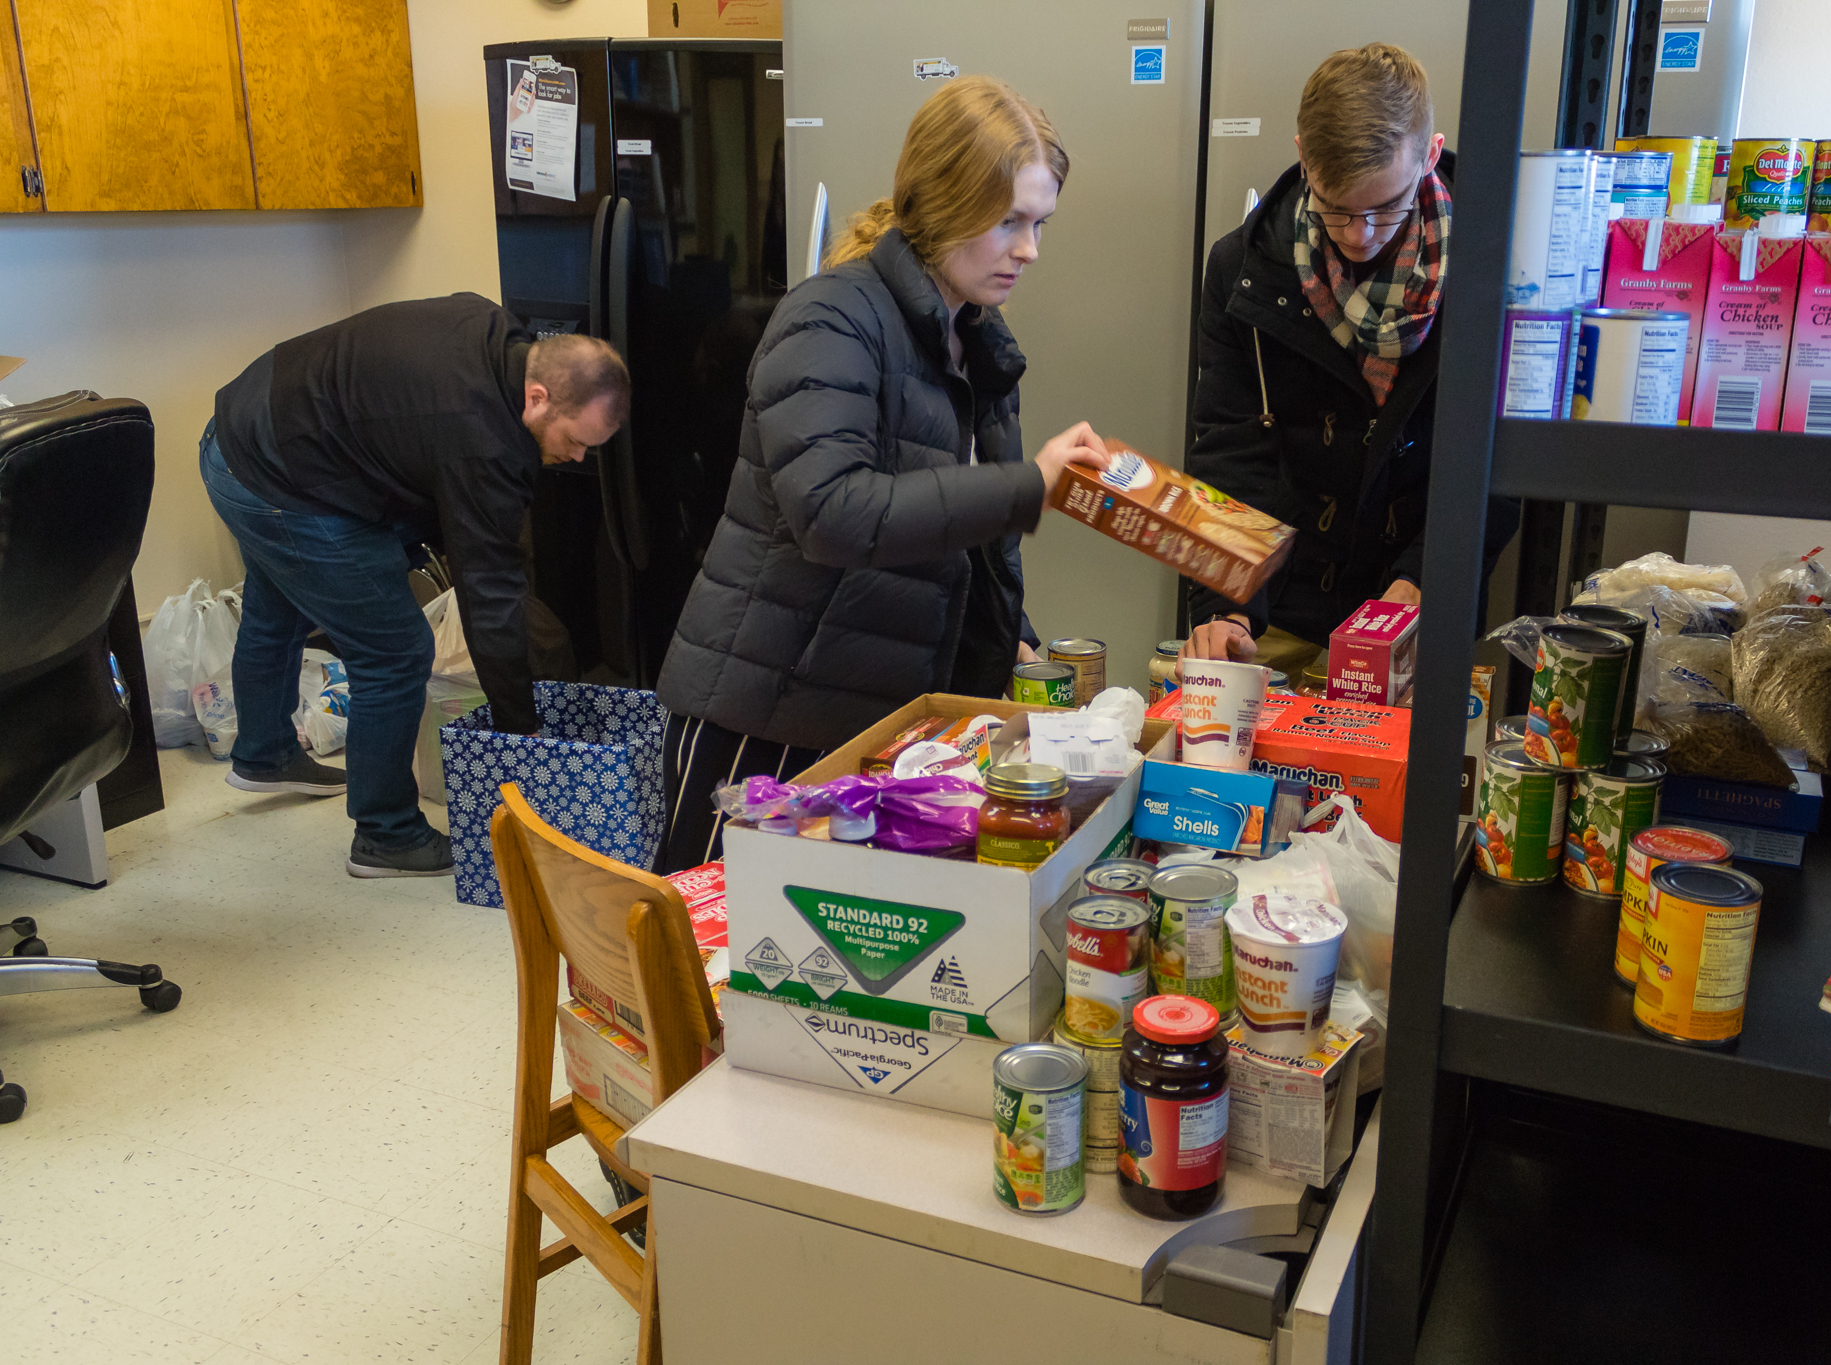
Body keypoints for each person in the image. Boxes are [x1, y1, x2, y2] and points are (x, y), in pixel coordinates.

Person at [654, 75, 1108, 870]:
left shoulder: (977, 338)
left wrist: (1018, 644)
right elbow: (830, 512)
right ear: (943, 203)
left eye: (1040, 223)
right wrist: (1028, 486)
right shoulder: (833, 316)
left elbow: (966, 541)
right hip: (766, 716)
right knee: (703, 958)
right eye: (1009, 222)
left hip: (877, 723)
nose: (1030, 249)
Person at [202, 294, 627, 877]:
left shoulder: (497, 334)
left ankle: (264, 753)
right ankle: (386, 835)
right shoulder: (481, 438)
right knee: (396, 652)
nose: (576, 456)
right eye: (576, 440)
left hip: (240, 431)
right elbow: (490, 590)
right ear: (538, 397)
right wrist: (517, 726)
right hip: (275, 473)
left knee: (280, 603)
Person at [1181, 44, 1519, 680]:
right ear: (1304, 154)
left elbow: (1497, 462)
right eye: (1335, 205)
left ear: (1429, 154)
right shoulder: (1244, 268)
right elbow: (1230, 450)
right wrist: (1226, 606)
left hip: (1416, 604)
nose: (1359, 232)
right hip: (1276, 608)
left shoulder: (1497, 270)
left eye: (1385, 206)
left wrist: (1424, 581)